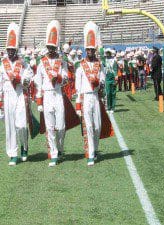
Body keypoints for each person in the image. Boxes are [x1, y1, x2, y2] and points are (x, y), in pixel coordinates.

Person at [0, 22, 33, 166]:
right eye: (9, 49)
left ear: (16, 50)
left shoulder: (23, 63)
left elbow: (29, 77)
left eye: (13, 49)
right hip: (8, 95)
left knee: (22, 125)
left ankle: (24, 145)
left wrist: (21, 79)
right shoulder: (1, 65)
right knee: (10, 126)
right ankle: (12, 153)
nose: (10, 52)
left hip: (19, 94)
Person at [34, 20, 69, 167]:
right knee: (50, 126)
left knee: (61, 126)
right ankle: (54, 153)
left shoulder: (62, 61)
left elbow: (67, 79)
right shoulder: (41, 62)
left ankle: (60, 148)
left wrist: (59, 77)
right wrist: (39, 101)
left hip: (58, 93)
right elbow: (38, 82)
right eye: (49, 47)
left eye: (53, 47)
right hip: (47, 94)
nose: (51, 50)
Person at [75, 21, 104, 166]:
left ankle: (96, 149)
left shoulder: (99, 64)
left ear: (95, 50)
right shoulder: (80, 66)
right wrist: (78, 105)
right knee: (89, 125)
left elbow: (103, 79)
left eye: (92, 50)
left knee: (98, 125)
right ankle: (90, 153)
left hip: (96, 97)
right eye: (88, 50)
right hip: (86, 97)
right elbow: (77, 86)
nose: (90, 52)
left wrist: (99, 82)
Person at [103, 48, 118, 113]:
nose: (107, 54)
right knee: (108, 93)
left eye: (108, 52)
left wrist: (116, 78)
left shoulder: (114, 60)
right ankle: (108, 107)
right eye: (107, 52)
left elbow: (115, 70)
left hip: (113, 78)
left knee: (113, 93)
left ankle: (113, 108)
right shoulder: (104, 60)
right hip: (107, 78)